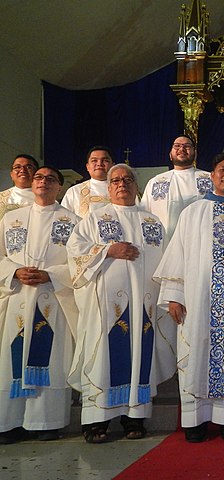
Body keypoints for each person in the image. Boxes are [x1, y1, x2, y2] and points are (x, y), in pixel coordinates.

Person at [154, 152, 224, 443]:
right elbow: (178, 256)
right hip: (198, 301)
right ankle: (196, 421)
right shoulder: (193, 212)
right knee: (197, 354)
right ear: (213, 175)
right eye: (222, 169)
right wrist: (174, 296)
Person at [67, 164, 175, 443]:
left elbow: (166, 261)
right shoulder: (95, 218)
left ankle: (134, 417)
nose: (122, 184)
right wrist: (107, 250)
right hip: (104, 307)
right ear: (109, 186)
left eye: (128, 179)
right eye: (115, 180)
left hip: (144, 304)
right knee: (103, 354)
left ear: (137, 185)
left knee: (140, 354)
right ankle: (95, 420)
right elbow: (75, 253)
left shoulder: (152, 222)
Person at [0, 166, 79, 444]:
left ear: (60, 187)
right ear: (32, 184)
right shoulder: (11, 220)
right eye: (39, 178)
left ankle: (47, 421)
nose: (43, 182)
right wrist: (14, 271)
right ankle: (9, 422)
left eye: (50, 179)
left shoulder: (73, 221)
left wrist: (52, 274)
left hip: (52, 297)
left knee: (52, 358)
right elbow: (0, 256)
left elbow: (80, 264)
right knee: (12, 358)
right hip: (18, 296)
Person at [140, 135, 212, 241]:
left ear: (195, 154)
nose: (181, 149)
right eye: (177, 146)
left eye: (187, 146)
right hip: (165, 243)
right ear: (170, 154)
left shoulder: (210, 179)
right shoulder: (155, 182)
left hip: (201, 240)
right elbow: (144, 215)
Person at [61, 146, 114, 218]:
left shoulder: (123, 190)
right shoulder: (74, 191)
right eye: (94, 160)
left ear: (113, 166)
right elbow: (65, 219)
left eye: (105, 160)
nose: (99, 164)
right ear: (87, 167)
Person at [0, 154, 38, 220]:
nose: (23, 170)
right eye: (17, 167)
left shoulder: (46, 199)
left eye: (28, 167)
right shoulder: (1, 197)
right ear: (11, 174)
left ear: (36, 173)